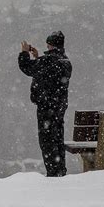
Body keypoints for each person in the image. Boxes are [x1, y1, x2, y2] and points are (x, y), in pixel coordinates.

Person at [18, 31, 72, 177]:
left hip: (46, 107)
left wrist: (24, 53)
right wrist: (38, 57)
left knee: (47, 140)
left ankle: (53, 173)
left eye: (48, 45)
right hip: (59, 106)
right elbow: (46, 70)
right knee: (58, 138)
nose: (46, 47)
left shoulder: (49, 61)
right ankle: (60, 170)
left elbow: (26, 67)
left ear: (51, 45)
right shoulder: (65, 61)